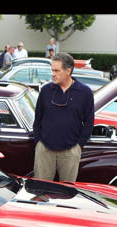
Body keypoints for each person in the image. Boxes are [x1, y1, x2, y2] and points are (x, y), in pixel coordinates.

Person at [33, 52, 94, 182]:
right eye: (52, 70)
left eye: (56, 70)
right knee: (41, 189)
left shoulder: (85, 92)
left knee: (67, 191)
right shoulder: (45, 90)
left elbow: (89, 121)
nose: (53, 74)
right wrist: (38, 141)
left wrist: (78, 146)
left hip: (71, 151)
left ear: (68, 71)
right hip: (44, 149)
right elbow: (37, 118)